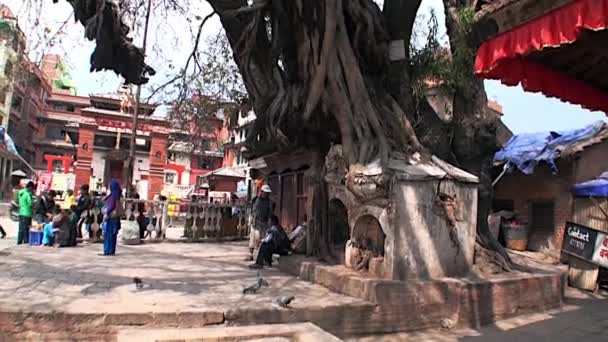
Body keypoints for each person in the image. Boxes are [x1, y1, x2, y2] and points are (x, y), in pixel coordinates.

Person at [245, 184, 273, 261]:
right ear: (261, 192)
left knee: (263, 239)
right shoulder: (255, 199)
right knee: (253, 238)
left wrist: (269, 221)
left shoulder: (269, 202)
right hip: (255, 221)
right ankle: (250, 254)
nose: (266, 194)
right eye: (264, 192)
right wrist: (250, 218)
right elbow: (251, 209)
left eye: (267, 193)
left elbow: (270, 212)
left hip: (264, 222)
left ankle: (262, 256)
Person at [102, 180, 122, 256]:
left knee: (108, 234)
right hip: (115, 217)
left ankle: (107, 250)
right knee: (113, 235)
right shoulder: (117, 194)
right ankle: (111, 250)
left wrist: (106, 213)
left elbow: (111, 206)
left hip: (111, 217)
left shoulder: (113, 195)